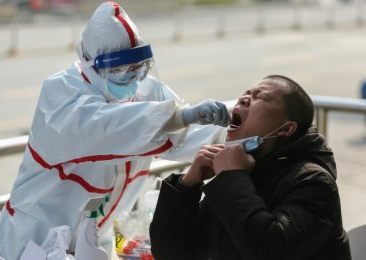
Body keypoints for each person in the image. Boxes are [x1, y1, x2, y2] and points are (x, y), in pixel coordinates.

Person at [0, 2, 230, 259]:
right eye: (118, 70)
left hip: (94, 241)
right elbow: (106, 127)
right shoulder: (61, 95)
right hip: (34, 243)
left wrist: (238, 135)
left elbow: (187, 135)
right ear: (89, 64)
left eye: (137, 67)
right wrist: (181, 116)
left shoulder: (144, 91)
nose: (130, 77)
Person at [150, 75, 352, 260]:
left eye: (260, 97)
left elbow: (268, 251)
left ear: (286, 129)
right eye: (245, 94)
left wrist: (232, 176)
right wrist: (186, 186)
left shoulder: (314, 183)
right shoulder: (242, 173)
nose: (244, 99)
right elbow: (171, 253)